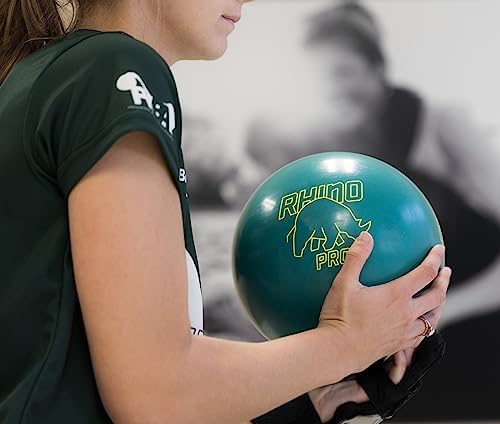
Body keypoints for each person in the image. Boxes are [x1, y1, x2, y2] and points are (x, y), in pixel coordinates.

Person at [0, 1, 450, 423]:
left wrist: (314, 403)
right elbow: (156, 393)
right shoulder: (114, 67)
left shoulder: (43, 77)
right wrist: (346, 344)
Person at [240, 1, 500, 419]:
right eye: (321, 78)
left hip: (477, 321)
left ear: (378, 71)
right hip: (396, 344)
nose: (335, 88)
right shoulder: (329, 160)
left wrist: (432, 316)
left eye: (345, 72)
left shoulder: (442, 125)